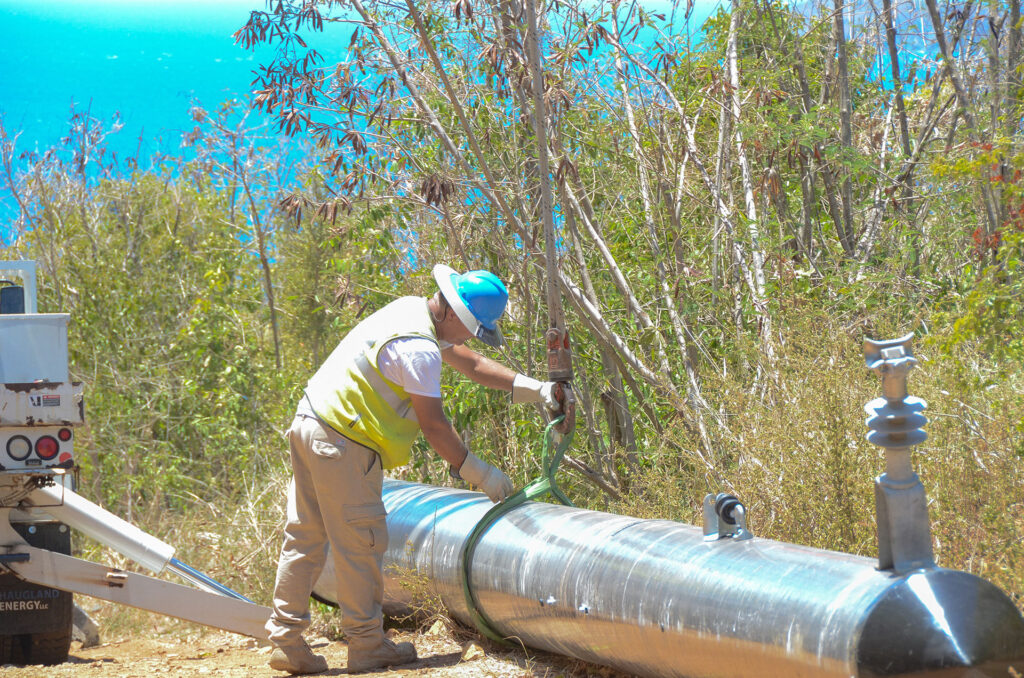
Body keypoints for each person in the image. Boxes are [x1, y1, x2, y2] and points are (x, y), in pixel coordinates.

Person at [265, 264, 561, 675]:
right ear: (455, 314)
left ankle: (286, 640)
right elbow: (435, 426)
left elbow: (470, 363)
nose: (472, 338)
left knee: (306, 537)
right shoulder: (419, 350)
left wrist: (534, 388)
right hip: (344, 441)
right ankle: (367, 645)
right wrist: (480, 473)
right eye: (474, 329)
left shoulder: (411, 312)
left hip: (311, 422)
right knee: (361, 543)